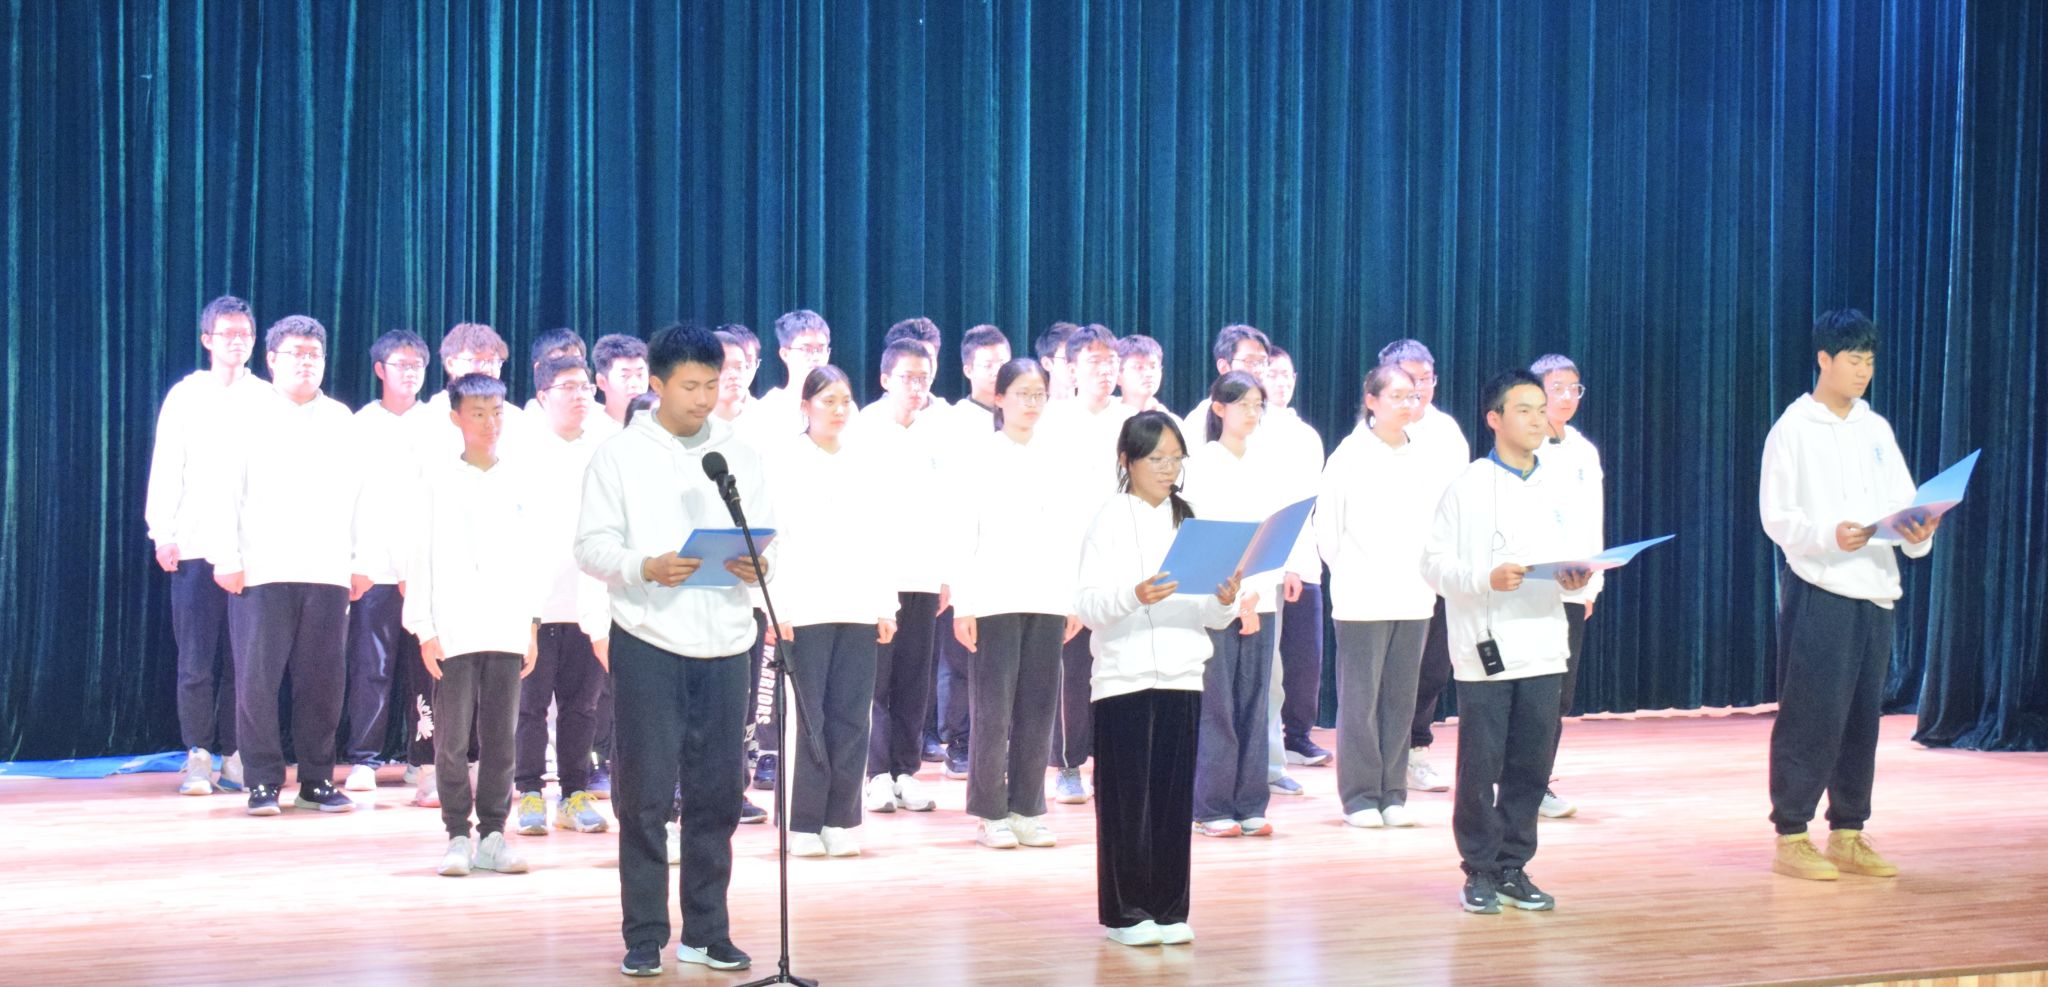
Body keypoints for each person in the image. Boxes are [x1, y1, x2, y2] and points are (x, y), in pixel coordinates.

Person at [575, 324, 771, 976]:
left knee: (718, 794)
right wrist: (644, 565)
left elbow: (767, 538)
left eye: (712, 384)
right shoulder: (619, 455)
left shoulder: (738, 453)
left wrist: (757, 563)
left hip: (728, 640)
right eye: (690, 386)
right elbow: (591, 546)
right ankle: (644, 934)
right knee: (645, 796)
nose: (703, 398)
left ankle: (707, 931)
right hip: (649, 641)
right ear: (657, 384)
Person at [1759, 309, 1938, 882]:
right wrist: (1826, 535)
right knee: (1812, 714)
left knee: (1863, 717)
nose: (1863, 371)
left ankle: (1849, 832)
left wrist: (1919, 530)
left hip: (1876, 588)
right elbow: (1776, 517)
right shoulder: (1793, 428)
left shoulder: (1875, 428)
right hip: (1821, 587)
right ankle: (1792, 834)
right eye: (1854, 360)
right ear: (1824, 360)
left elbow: (1905, 502)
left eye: (1870, 361)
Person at [1421, 369, 1589, 914]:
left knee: (1531, 764)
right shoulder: (1468, 486)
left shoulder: (1559, 484)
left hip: (1545, 642)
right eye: (1524, 409)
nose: (1538, 419)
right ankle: (1479, 867)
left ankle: (1514, 864)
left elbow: (1575, 553)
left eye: (1542, 409)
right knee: (1481, 765)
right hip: (1486, 646)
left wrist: (1577, 578)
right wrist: (1483, 578)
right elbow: (1433, 564)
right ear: (1494, 419)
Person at [1074, 411, 1239, 948]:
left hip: (1182, 674)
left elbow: (1210, 616)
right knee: (1126, 803)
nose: (1168, 469)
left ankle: (1170, 909)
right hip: (1123, 678)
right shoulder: (1108, 519)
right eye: (1156, 459)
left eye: (1175, 459)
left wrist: (1225, 600)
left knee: (1172, 801)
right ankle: (1126, 915)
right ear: (1128, 461)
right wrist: (1134, 596)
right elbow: (1088, 606)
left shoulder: (1190, 521)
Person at [209, 315, 363, 816]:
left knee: (323, 683)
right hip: (262, 569)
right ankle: (262, 781)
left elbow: (362, 495)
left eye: (315, 355)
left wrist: (362, 560)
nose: (306, 363)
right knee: (257, 682)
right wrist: (226, 557)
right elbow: (223, 491)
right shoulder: (244, 414)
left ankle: (317, 780)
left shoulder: (342, 419)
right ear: (271, 359)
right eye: (296, 353)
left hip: (328, 570)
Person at [402, 372, 541, 877]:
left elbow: (532, 558)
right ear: (456, 418)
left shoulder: (521, 478)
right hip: (454, 627)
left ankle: (494, 835)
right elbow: (419, 556)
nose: (489, 423)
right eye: (478, 414)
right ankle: (457, 834)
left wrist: (531, 625)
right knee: (453, 740)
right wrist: (424, 627)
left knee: (502, 738)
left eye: (496, 413)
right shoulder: (436, 481)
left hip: (506, 626)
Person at [1316, 363, 1459, 829]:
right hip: (1362, 597)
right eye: (1395, 396)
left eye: (1412, 395)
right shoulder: (1348, 456)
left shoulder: (1427, 456)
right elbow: (1328, 531)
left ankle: (1393, 793)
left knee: (1401, 700)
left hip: (1414, 596)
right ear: (1371, 401)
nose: (1406, 404)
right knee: (1361, 701)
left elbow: (1441, 523)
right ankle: (1360, 796)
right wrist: (1354, 573)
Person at [948, 358, 1082, 851]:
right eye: (1022, 394)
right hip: (994, 598)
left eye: (1039, 394)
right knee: (993, 711)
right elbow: (963, 532)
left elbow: (1070, 534)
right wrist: (964, 604)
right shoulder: (979, 456)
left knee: (1038, 708)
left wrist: (1071, 599)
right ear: (1000, 398)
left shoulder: (1058, 456)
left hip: (1047, 597)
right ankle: (990, 812)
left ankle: (1028, 808)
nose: (1031, 403)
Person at [768, 366, 899, 857]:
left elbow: (881, 536)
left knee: (852, 716)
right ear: (805, 407)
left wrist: (885, 604)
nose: (839, 410)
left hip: (858, 606)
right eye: (828, 401)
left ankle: (839, 818)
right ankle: (802, 822)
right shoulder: (782, 461)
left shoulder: (865, 461)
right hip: (803, 608)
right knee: (809, 717)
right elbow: (771, 539)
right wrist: (775, 606)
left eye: (845, 400)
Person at [1179, 370, 1311, 837]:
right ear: (1219, 408)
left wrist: (1256, 593)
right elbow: (1199, 538)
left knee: (1256, 702)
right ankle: (1211, 806)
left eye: (1258, 405)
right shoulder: (1199, 466)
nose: (1253, 413)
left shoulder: (1268, 464)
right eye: (1244, 404)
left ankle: (1251, 802)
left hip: (1260, 597)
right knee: (1217, 702)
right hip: (1214, 600)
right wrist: (1234, 595)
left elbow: (1276, 533)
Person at [146, 294, 265, 796]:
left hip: (253, 551)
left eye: (245, 334)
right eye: (227, 333)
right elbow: (167, 465)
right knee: (196, 659)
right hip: (195, 545)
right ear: (207, 339)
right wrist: (163, 532)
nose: (237, 342)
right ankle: (198, 754)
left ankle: (238, 755)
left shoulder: (267, 397)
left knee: (246, 661)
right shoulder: (186, 396)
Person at [512, 355, 614, 838]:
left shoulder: (608, 448)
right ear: (542, 396)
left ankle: (574, 793)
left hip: (588, 601)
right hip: (535, 603)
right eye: (568, 387)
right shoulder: (521, 451)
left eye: (585, 387)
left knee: (583, 706)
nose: (580, 396)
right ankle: (529, 791)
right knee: (529, 706)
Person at [1039, 324, 1132, 804]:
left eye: (1112, 361)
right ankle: (1068, 764)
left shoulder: (1134, 420)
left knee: (1119, 666)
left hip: (1123, 563)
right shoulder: (1051, 421)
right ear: (1071, 369)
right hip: (1070, 563)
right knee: (1072, 671)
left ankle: (1114, 760)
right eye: (1094, 361)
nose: (1105, 370)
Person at [855, 339, 948, 815]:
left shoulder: (941, 430)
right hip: (877, 576)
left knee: (915, 678)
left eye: (924, 377)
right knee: (876, 678)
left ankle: (905, 771)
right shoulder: (862, 428)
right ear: (885, 379)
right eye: (908, 377)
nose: (917, 386)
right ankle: (874, 775)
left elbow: (951, 505)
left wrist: (948, 574)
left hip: (925, 573)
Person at [342, 329, 432, 795]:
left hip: (424, 571)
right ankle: (364, 759)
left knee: (427, 670)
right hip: (373, 568)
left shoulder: (437, 423)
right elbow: (350, 501)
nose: (411, 372)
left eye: (418, 365)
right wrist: (356, 562)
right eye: (401, 364)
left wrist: (418, 566)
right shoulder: (359, 425)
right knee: (370, 666)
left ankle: (423, 758)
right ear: (380, 370)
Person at [1380, 338, 1470, 795]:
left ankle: (1416, 752)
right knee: (1389, 669)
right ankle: (1381, 758)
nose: (1418, 389)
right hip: (1388, 572)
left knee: (1432, 667)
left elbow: (1463, 500)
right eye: (1408, 379)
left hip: (1439, 568)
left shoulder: (1447, 431)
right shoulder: (1372, 435)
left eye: (1426, 379)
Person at [927, 324, 1012, 779]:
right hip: (963, 550)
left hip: (1005, 554)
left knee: (1000, 657)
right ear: (967, 369)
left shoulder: (1019, 417)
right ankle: (958, 740)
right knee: (960, 654)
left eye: (1003, 362)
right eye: (987, 364)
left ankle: (995, 738)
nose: (996, 371)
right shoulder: (953, 421)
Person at [1529, 353, 1605, 819]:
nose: (1566, 397)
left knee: (1560, 693)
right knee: (1530, 689)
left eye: (1573, 388)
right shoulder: (1524, 446)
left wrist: (1592, 587)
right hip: (1532, 586)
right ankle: (1515, 781)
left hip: (1576, 587)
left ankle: (1538, 782)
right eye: (1556, 388)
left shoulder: (1584, 450)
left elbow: (1592, 518)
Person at [748, 309, 832, 441]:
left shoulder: (842, 406)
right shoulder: (769, 409)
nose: (816, 357)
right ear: (785, 354)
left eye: (821, 349)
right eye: (806, 349)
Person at [521, 328, 587, 415]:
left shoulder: (599, 415)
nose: (570, 366)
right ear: (538, 369)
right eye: (561, 361)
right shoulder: (523, 418)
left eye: (576, 360)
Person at [593, 333, 651, 428]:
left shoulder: (661, 424)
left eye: (640, 375)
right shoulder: (590, 429)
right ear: (602, 382)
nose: (635, 384)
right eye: (625, 376)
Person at [1114, 334, 1176, 421]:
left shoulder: (1172, 421)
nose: (1148, 374)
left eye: (1153, 367)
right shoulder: (1106, 419)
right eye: (1139, 367)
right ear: (1118, 376)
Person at [1035, 321, 1079, 403]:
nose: (1076, 366)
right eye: (1068, 359)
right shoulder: (1035, 406)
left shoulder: (1095, 406)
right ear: (1047, 364)